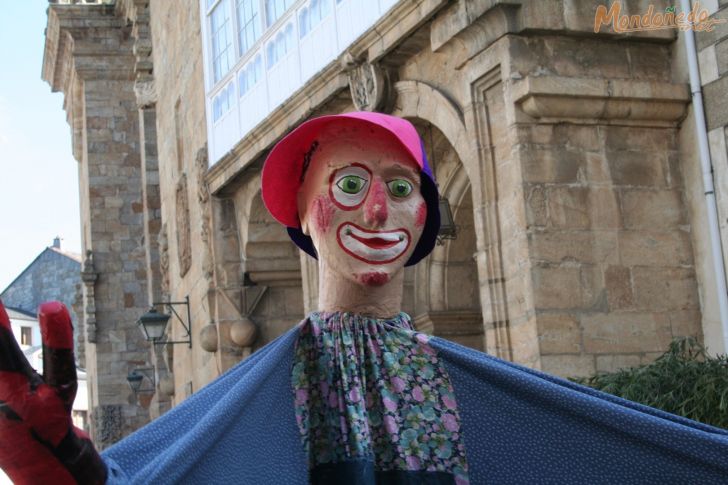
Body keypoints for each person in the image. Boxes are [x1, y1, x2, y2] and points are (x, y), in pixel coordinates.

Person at [1, 112, 727, 484]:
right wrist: (67, 459)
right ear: (308, 214)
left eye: (401, 188)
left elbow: (614, 454)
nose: (378, 209)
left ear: (423, 219)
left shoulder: (470, 389)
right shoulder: (266, 395)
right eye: (350, 185)